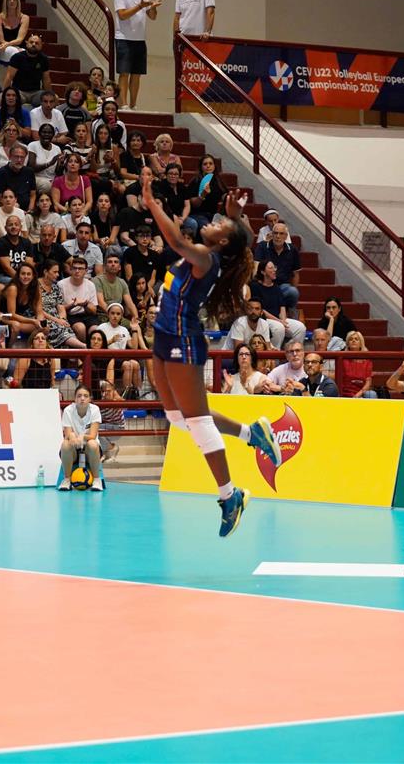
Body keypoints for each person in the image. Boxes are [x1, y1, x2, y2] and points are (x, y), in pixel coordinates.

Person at [140, 168, 278, 536]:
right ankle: (251, 434)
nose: (212, 223)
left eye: (219, 224)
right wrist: (234, 216)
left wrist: (150, 202)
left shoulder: (205, 258)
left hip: (183, 339)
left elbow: (175, 240)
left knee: (198, 421)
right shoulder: (218, 252)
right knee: (177, 418)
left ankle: (230, 495)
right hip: (164, 335)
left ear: (222, 241)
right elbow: (241, 239)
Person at [112, 0, 161, 111]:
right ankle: (123, 103)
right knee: (124, 72)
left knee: (136, 73)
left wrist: (153, 8)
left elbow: (152, 17)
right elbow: (122, 15)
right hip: (124, 39)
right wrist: (140, 6)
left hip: (140, 39)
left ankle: (133, 104)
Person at [58, 385, 104, 491]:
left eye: (85, 396)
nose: (82, 398)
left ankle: (97, 480)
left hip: (90, 450)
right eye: (79, 396)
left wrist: (82, 436)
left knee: (92, 443)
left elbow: (92, 435)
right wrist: (71, 436)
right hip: (74, 450)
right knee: (65, 444)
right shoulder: (68, 410)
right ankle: (66, 480)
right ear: (75, 399)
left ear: (90, 399)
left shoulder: (95, 410)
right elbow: (68, 434)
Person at [335, 331, 376, 398]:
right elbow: (339, 381)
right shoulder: (342, 359)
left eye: (356, 339)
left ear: (361, 344)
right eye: (351, 339)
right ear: (348, 344)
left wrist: (357, 395)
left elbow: (368, 383)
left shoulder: (367, 361)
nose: (353, 340)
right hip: (345, 392)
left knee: (371, 394)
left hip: (361, 393)